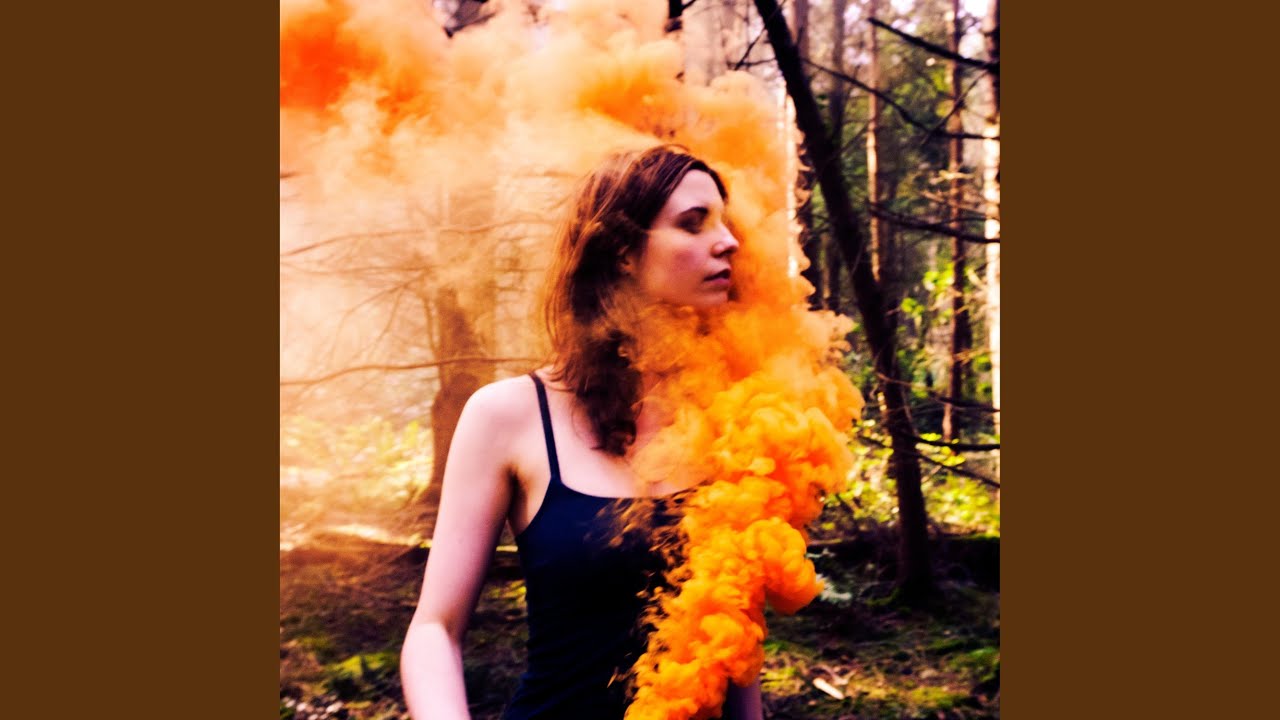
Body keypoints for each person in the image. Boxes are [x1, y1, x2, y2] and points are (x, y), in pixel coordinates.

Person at [400, 145, 763, 719]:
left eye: (725, 222)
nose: (729, 242)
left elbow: (736, 647)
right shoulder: (509, 415)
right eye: (694, 223)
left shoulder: (738, 420)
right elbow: (435, 630)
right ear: (622, 251)